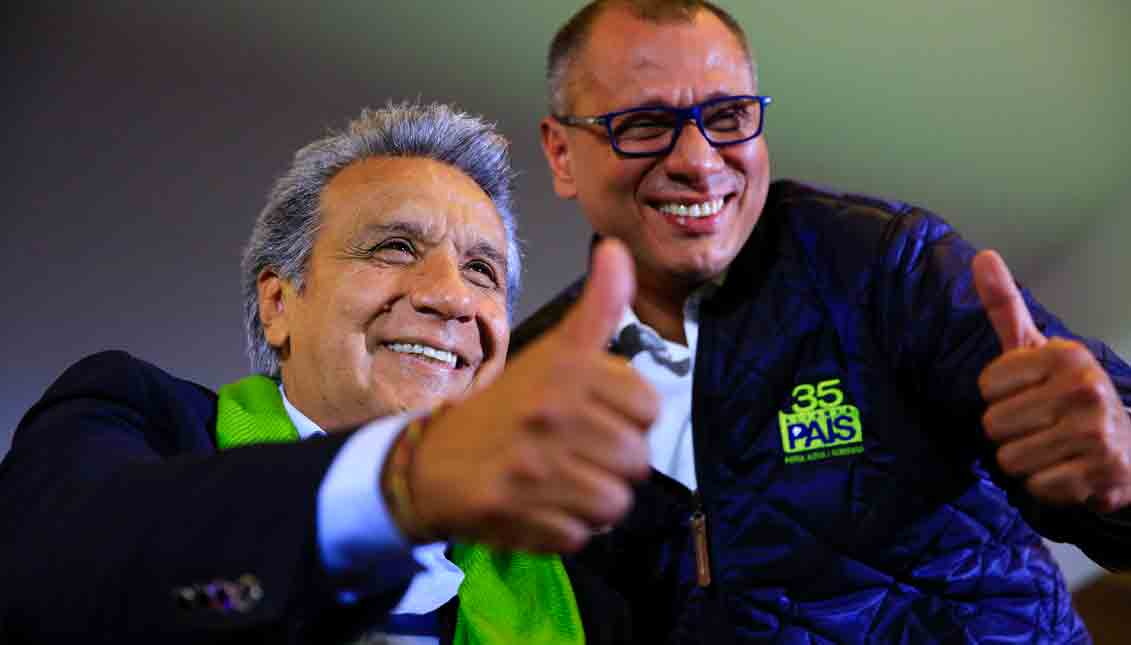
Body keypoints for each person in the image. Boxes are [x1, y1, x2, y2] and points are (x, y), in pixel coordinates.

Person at [520, 1, 1131, 642]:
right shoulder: (526, 381)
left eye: (729, 117)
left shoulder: (885, 267)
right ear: (562, 153)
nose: (699, 161)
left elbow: (1107, 480)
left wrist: (1119, 463)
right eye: (644, 125)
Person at [0, 102, 654, 643]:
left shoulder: (581, 588)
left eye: (480, 270)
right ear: (278, 302)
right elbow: (55, 578)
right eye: (395, 247)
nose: (451, 297)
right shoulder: (137, 420)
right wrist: (399, 482)